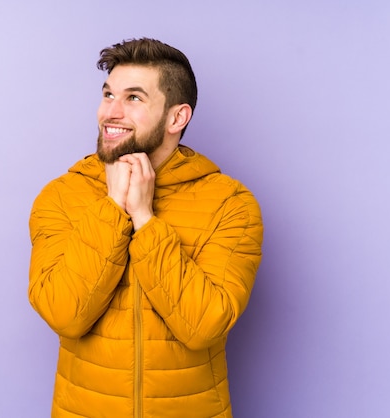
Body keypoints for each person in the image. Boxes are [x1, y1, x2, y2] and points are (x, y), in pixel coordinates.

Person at [28, 38, 263, 418]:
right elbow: (65, 314)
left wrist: (145, 219)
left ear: (176, 117)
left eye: (134, 98)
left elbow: (204, 326)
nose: (111, 112)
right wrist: (112, 208)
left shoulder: (230, 204)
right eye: (108, 95)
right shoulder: (61, 196)